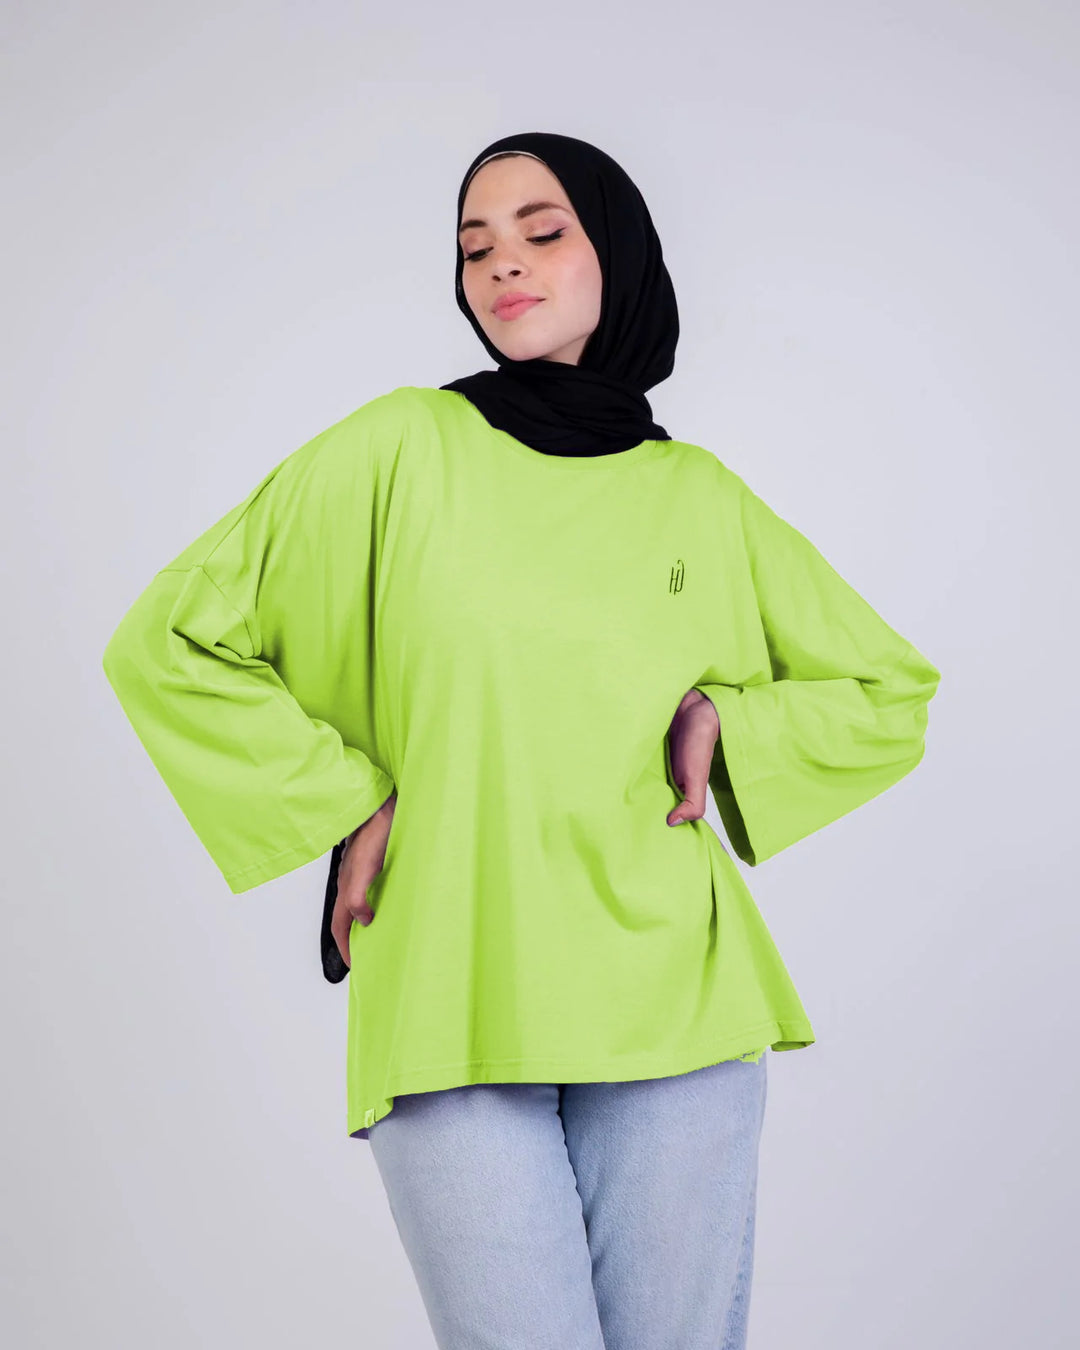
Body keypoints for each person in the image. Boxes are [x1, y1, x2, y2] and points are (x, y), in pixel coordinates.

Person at [101, 131, 941, 1349]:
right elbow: (170, 638)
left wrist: (732, 722)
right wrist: (343, 796)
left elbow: (888, 689)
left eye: (543, 233)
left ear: (620, 257)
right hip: (452, 988)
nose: (503, 264)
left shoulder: (698, 495)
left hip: (675, 1002)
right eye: (475, 246)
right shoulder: (399, 448)